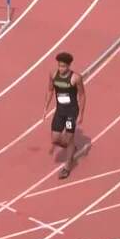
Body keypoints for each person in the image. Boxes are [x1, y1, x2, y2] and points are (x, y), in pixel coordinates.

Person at [42, 52, 85, 180]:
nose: (61, 69)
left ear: (69, 66)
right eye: (60, 66)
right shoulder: (53, 75)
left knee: (69, 137)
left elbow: (82, 95)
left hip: (71, 113)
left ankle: (67, 166)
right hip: (60, 111)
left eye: (64, 67)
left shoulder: (75, 78)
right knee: (55, 139)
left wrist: (81, 114)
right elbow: (50, 90)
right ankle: (71, 148)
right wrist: (45, 107)